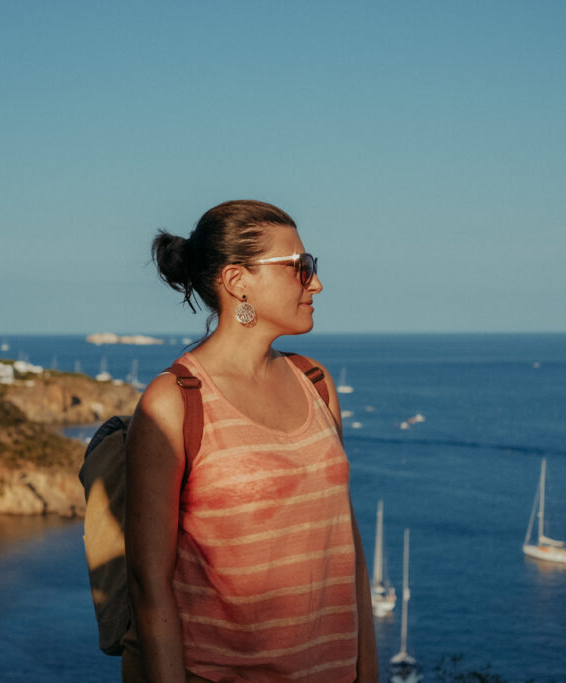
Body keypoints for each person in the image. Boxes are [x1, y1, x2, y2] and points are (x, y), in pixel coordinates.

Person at [124, 200, 377, 682]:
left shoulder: (316, 382)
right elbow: (148, 585)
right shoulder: (174, 401)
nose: (316, 283)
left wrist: (368, 673)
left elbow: (348, 548)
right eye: (300, 268)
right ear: (237, 281)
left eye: (312, 266)